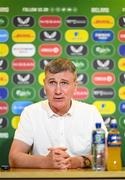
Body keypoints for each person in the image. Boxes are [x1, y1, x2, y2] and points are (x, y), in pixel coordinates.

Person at [9, 57, 107, 169]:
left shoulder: (90, 113)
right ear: (44, 85)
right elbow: (13, 157)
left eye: (64, 83)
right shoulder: (31, 112)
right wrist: (45, 162)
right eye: (52, 83)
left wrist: (79, 162)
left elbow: (108, 155)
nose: (58, 91)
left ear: (75, 86)